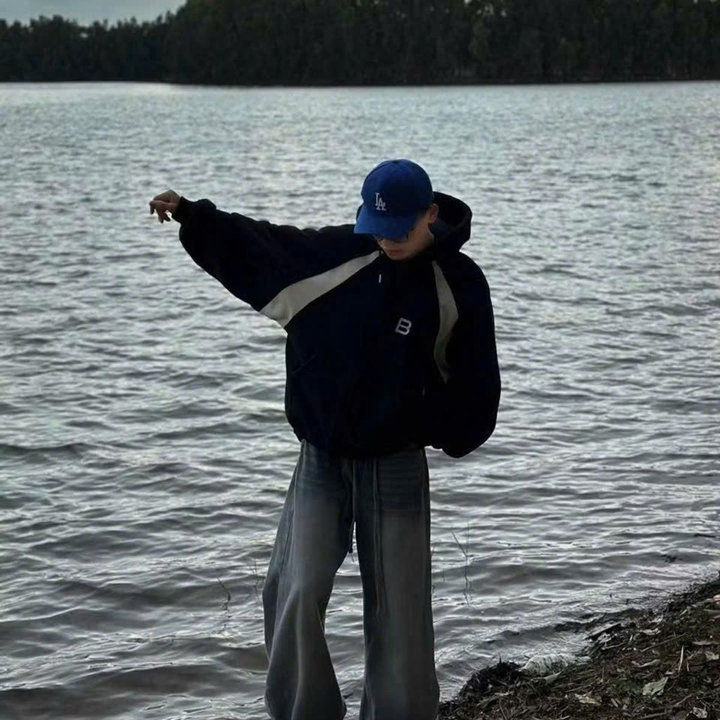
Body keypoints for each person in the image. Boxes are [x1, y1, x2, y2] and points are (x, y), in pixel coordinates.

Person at [149, 159, 501, 720]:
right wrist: (194, 216)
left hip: (396, 465)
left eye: (399, 229)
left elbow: (477, 385)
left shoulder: (456, 283)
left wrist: (432, 424)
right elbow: (259, 246)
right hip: (321, 460)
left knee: (401, 615)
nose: (387, 240)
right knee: (294, 590)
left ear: (430, 215)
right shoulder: (332, 258)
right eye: (377, 228)